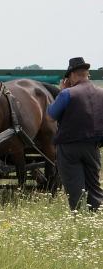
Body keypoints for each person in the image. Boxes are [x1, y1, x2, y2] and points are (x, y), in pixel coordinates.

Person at [47, 57, 103, 211]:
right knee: (94, 185)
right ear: (87, 74)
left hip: (69, 147)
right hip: (93, 147)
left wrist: (62, 91)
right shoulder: (101, 93)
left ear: (72, 75)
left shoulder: (67, 94)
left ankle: (79, 217)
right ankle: (94, 216)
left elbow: (51, 116)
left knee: (74, 186)